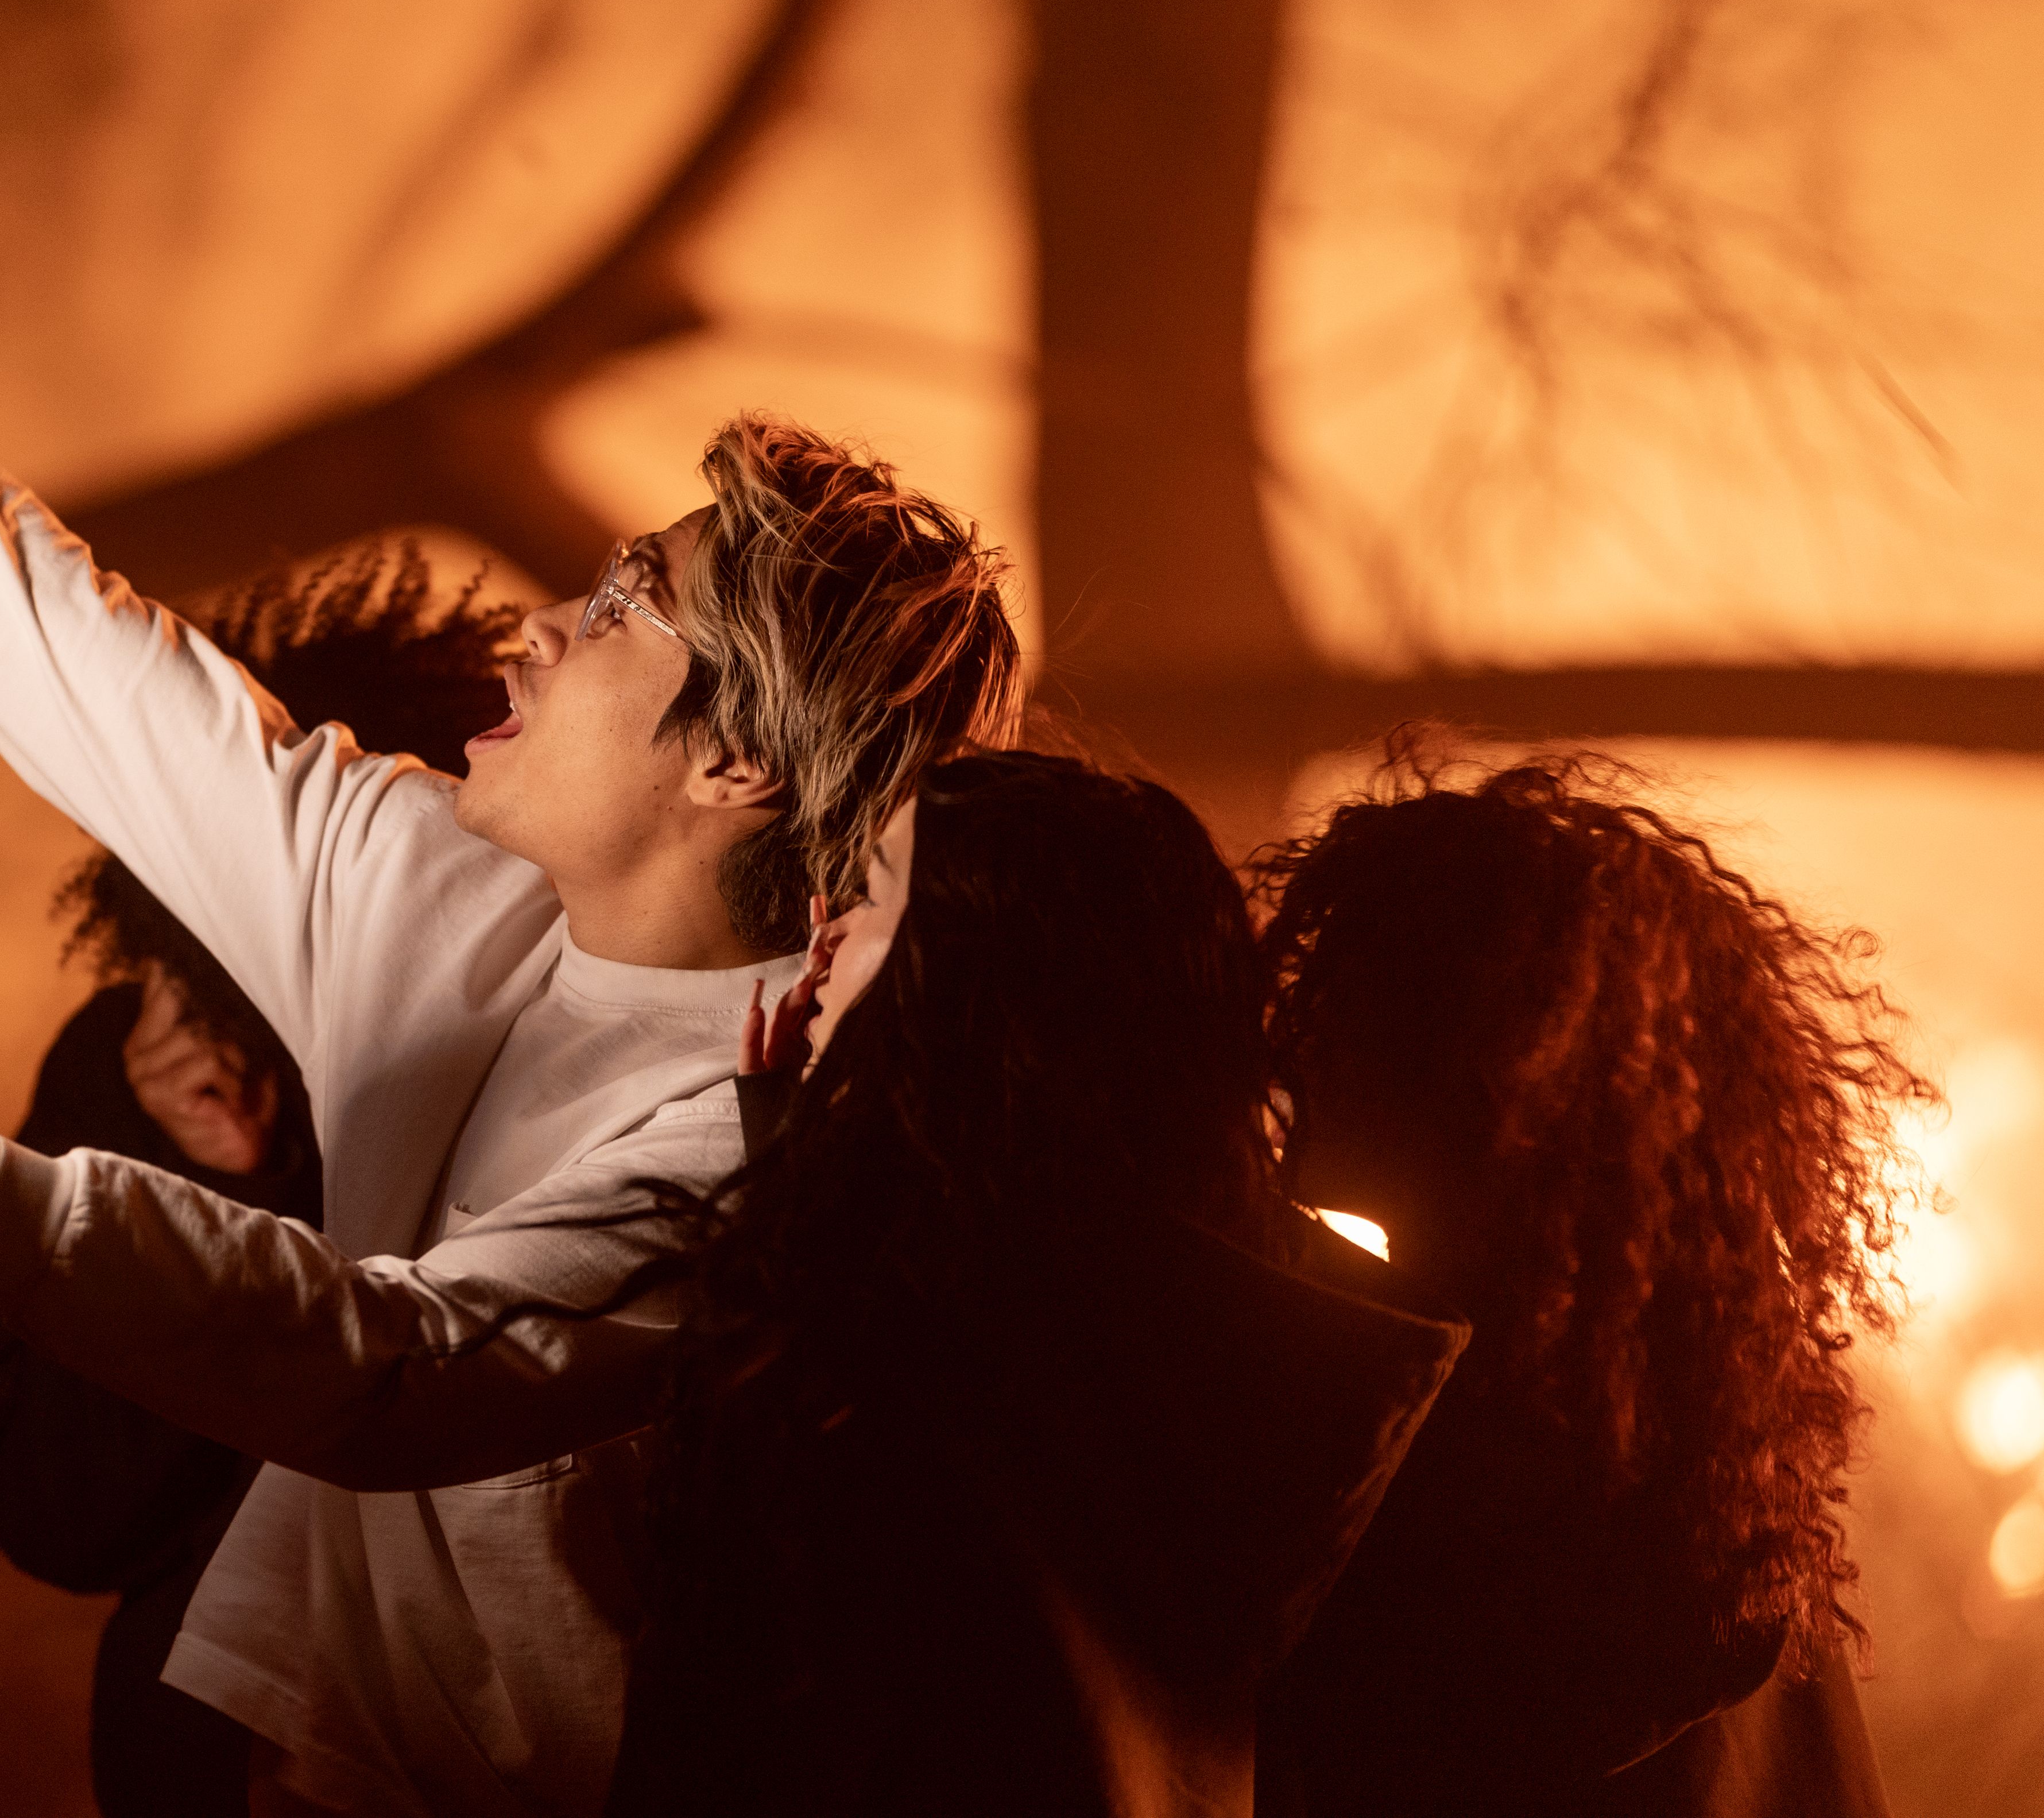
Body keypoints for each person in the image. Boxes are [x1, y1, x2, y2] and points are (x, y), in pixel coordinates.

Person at [0, 64, 1023, 1815]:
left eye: (631, 609)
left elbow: (391, 1368)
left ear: (734, 764)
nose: (545, 630)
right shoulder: (440, 886)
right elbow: (39, 626)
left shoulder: (772, 1141)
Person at [604, 751, 1470, 1816]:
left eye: (873, 892)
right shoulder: (1223, 1356)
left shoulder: (878, 1376)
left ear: (965, 970)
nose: (821, 940)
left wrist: (795, 1194)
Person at [1251, 748, 1923, 1818]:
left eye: (1351, 1003)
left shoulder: (1412, 1507)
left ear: (1484, 1073)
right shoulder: (1713, 1494)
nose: (1293, 1052)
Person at [0, 545, 516, 1816]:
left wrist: (272, 1199)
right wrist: (196, 1178)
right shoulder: (129, 1066)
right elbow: (53, 1512)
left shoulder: (528, 1054)